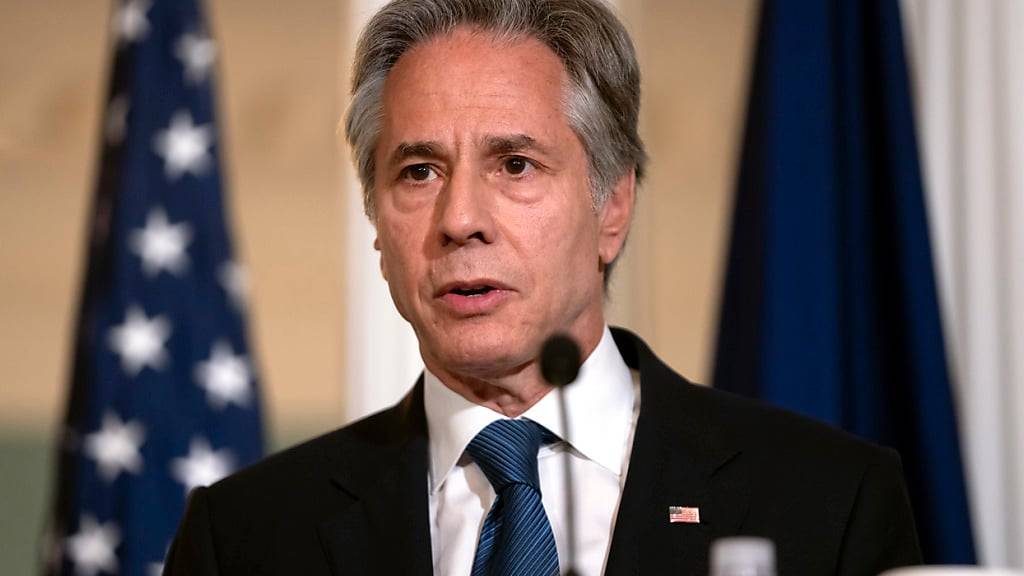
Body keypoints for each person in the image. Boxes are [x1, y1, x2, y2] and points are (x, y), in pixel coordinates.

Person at [165, 0, 922, 574]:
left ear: (613, 206)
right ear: (376, 222)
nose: (460, 220)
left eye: (515, 165)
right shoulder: (245, 538)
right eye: (418, 171)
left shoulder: (830, 503)